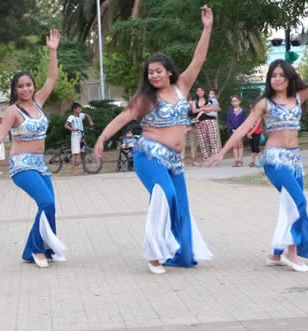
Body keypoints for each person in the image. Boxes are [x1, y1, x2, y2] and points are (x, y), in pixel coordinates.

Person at [207, 39, 308, 272]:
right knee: (298, 201)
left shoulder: (298, 97)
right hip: (274, 159)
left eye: (282, 75)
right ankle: (292, 253)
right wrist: (222, 152)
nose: (277, 79)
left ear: (289, 77)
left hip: (294, 159)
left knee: (289, 205)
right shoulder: (265, 103)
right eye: (274, 75)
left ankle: (275, 253)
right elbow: (243, 128)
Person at [94, 7, 214, 274]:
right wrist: (102, 138)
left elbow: (199, 58)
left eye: (159, 71)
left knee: (180, 206)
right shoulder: (145, 99)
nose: (154, 75)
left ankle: (178, 254)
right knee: (164, 195)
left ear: (169, 72)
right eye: (150, 72)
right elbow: (123, 118)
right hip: (148, 156)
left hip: (174, 161)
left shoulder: (181, 87)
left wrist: (206, 29)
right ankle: (153, 255)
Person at [0, 29, 65, 268]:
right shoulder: (13, 111)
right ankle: (37, 250)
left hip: (40, 164)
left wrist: (52, 51)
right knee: (45, 202)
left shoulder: (39, 102)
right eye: (20, 86)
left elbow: (52, 79)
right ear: (15, 89)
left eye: (28, 85)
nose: (25, 89)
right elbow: (0, 135)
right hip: (22, 165)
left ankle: (35, 249)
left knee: (51, 205)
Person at [192, 87, 221, 164]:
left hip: (211, 121)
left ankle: (214, 159)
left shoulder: (210, 99)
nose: (200, 91)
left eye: (201, 90)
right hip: (200, 123)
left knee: (213, 140)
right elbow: (194, 110)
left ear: (204, 91)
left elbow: (218, 108)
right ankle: (207, 159)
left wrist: (210, 108)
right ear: (196, 92)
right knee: (203, 142)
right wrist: (203, 109)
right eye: (198, 90)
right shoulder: (195, 101)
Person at [64, 102, 94, 174]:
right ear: (74, 110)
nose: (80, 110)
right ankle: (72, 171)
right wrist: (72, 129)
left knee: (83, 152)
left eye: (80, 108)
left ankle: (84, 169)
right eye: (79, 108)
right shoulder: (71, 117)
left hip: (81, 135)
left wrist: (90, 121)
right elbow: (66, 125)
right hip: (75, 136)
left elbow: (86, 114)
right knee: (75, 153)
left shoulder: (80, 116)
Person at [226, 95, 246, 167]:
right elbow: (228, 122)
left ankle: (240, 160)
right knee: (234, 146)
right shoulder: (230, 111)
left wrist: (240, 129)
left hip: (240, 131)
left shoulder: (242, 111)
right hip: (232, 131)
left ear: (239, 101)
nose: (234, 102)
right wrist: (232, 129)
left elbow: (244, 121)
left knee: (240, 145)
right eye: (232, 101)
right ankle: (236, 160)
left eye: (235, 101)